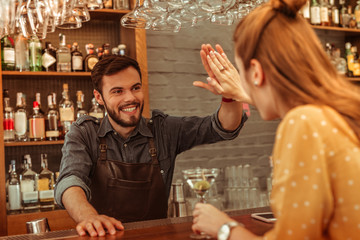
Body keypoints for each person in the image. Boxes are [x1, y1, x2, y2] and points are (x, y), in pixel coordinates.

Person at [191, 0, 360, 239]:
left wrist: (224, 228)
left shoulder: (304, 123)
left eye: (243, 74)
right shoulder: (338, 113)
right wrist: (243, 93)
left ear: (257, 72)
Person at [54, 55, 248, 237]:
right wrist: (88, 217)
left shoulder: (163, 129)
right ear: (99, 97)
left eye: (135, 88)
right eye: (117, 91)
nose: (130, 98)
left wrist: (230, 96)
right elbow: (70, 181)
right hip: (105, 237)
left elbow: (221, 127)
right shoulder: (85, 132)